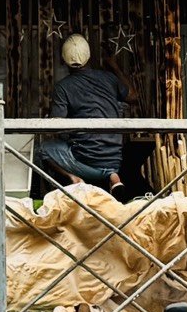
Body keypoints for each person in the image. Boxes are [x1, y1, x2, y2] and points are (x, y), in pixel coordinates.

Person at [41, 33, 131, 194]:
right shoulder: (109, 78)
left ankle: (74, 178)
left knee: (42, 150)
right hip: (116, 159)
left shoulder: (63, 87)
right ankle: (114, 178)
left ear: (64, 59)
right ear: (89, 56)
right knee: (106, 160)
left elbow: (57, 126)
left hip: (87, 162)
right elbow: (133, 96)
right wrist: (115, 66)